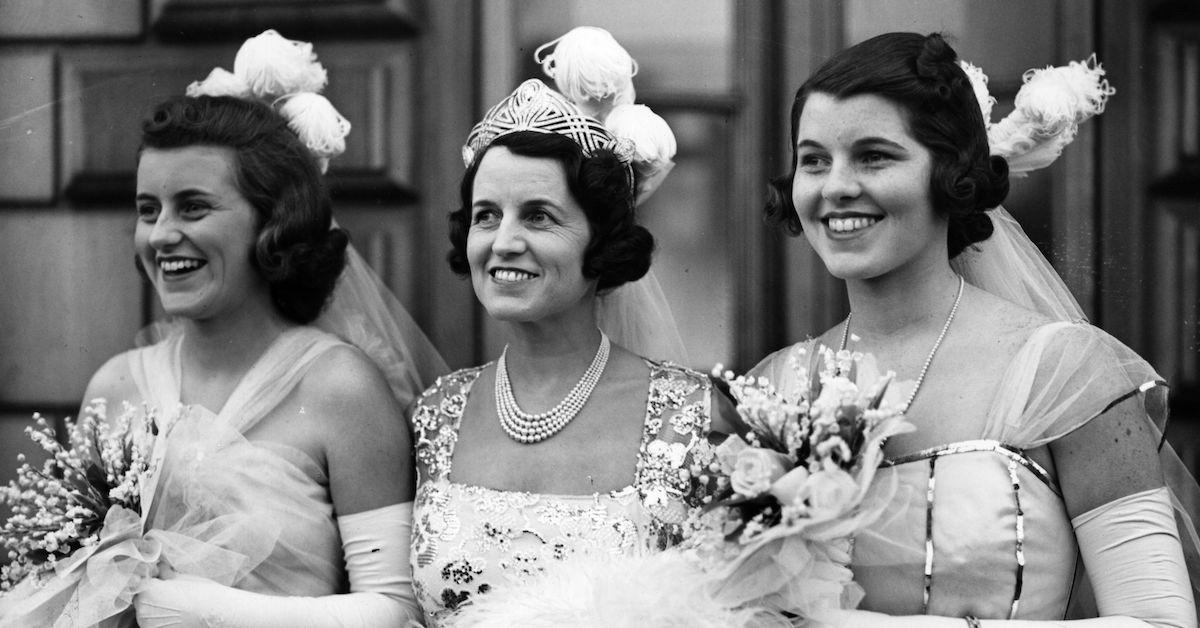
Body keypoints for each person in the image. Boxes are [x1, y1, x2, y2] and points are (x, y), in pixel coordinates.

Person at [752, 32, 1199, 626]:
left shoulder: (1064, 371)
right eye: (813, 160)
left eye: (874, 156)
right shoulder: (771, 391)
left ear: (949, 172)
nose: (835, 187)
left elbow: (1160, 622)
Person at [74, 30, 443, 627]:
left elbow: (396, 609)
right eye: (148, 210)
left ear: (273, 223)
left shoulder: (340, 389)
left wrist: (198, 609)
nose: (162, 234)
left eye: (194, 207)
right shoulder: (113, 387)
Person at [407, 29, 736, 626]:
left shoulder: (691, 415)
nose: (504, 242)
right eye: (487, 216)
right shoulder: (437, 411)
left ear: (602, 243)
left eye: (538, 216)